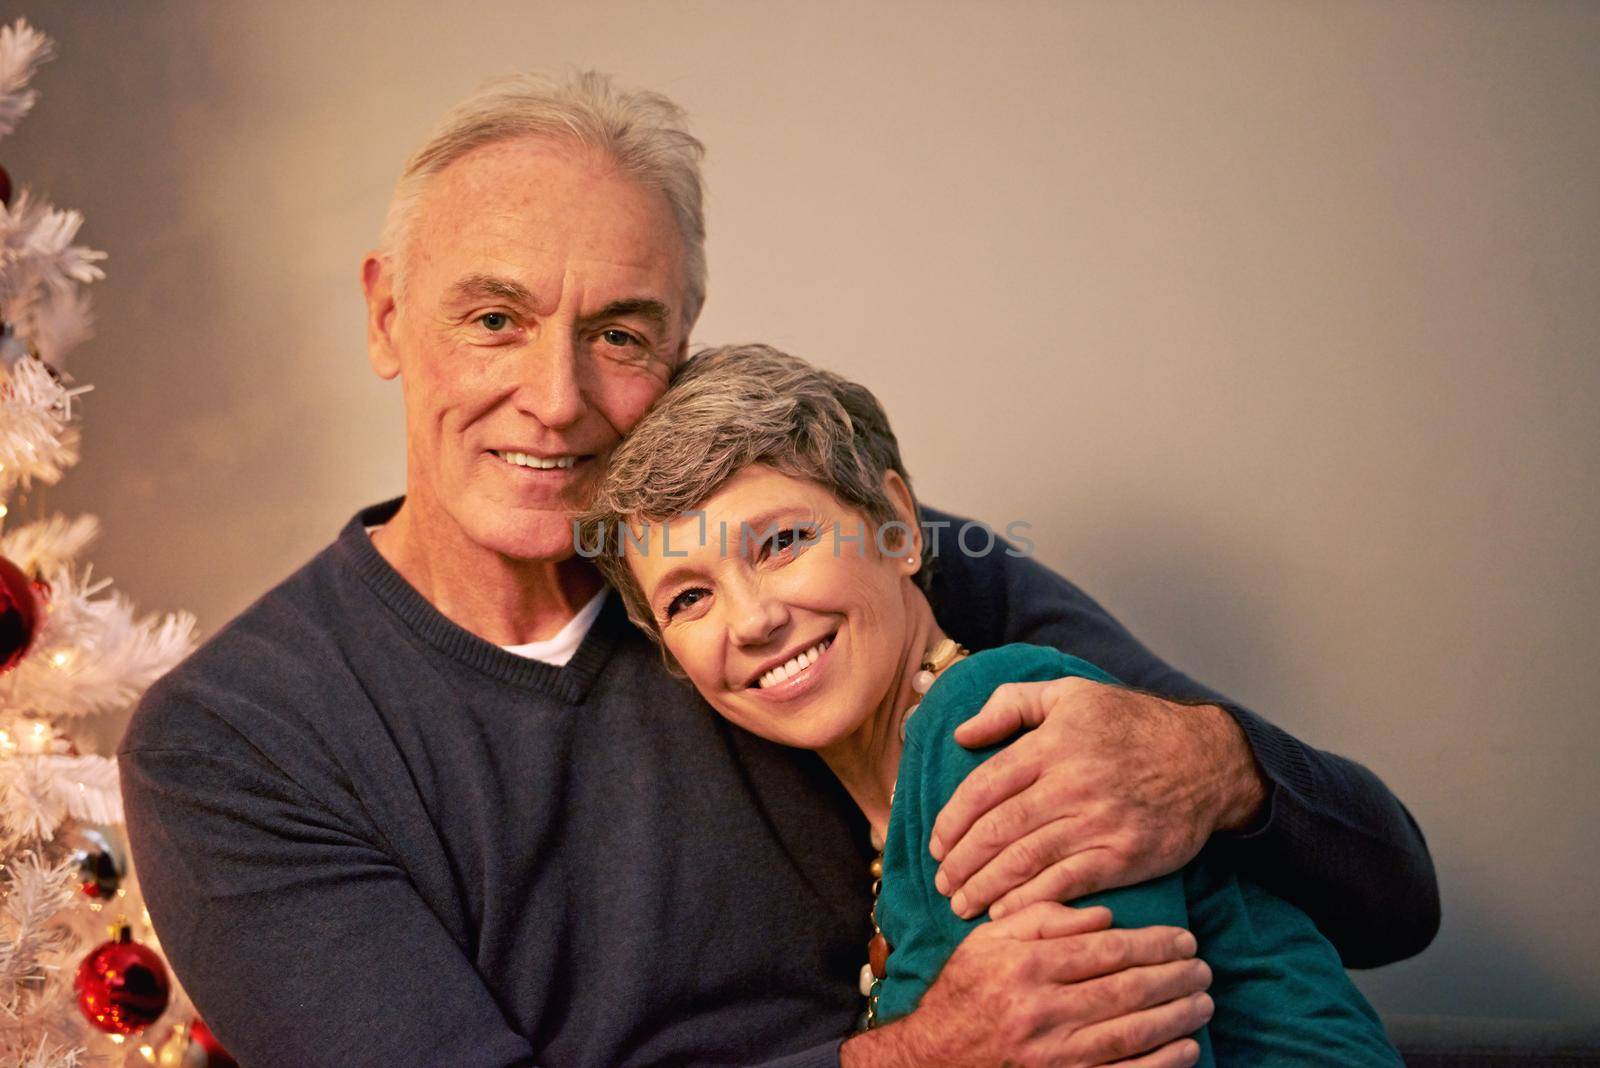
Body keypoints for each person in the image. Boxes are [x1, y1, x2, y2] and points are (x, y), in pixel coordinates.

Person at [117, 72, 1437, 1067]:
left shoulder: (872, 581)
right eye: (494, 319)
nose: (557, 398)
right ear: (387, 314)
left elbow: (1390, 894)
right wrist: (920, 1057)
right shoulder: (235, 745)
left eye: (621, 333)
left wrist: (1207, 766)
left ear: (688, 345)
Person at [581, 343, 1406, 1065]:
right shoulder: (888, 804)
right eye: (689, 598)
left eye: (784, 543)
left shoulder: (990, 721)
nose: (753, 620)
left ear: (898, 528)